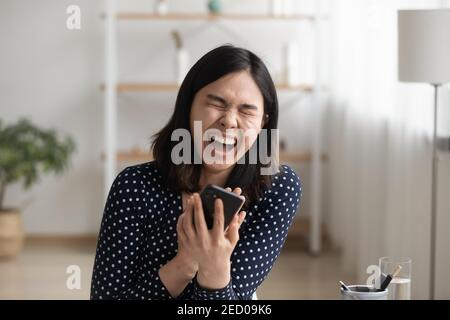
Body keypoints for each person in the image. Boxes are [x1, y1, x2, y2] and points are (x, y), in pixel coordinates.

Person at [90, 45, 302, 300]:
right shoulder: (134, 186)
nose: (229, 121)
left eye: (246, 110)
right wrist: (185, 264)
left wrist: (214, 269)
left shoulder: (277, 188)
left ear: (263, 122)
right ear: (189, 105)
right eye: (217, 103)